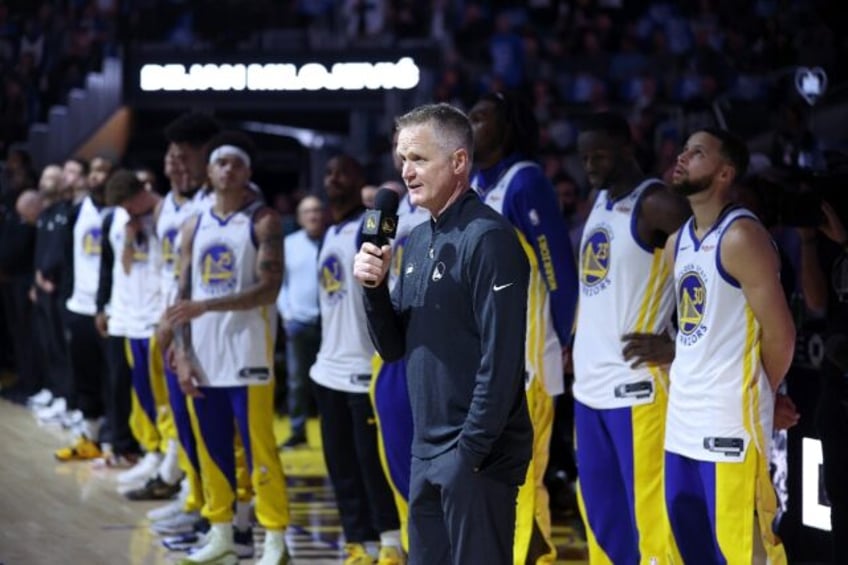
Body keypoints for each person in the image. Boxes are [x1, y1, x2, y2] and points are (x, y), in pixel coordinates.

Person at [354, 103, 532, 565]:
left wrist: (468, 452)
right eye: (402, 160)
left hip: (476, 455)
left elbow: (504, 359)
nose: (406, 172)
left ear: (458, 162)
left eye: (418, 159)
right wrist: (372, 290)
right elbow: (393, 348)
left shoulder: (488, 237)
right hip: (428, 447)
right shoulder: (416, 240)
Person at [663, 128, 795, 563]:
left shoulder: (741, 237)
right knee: (693, 552)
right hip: (681, 426)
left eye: (696, 153)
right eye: (683, 150)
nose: (682, 157)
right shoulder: (676, 241)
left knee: (743, 554)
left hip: (728, 430)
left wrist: (762, 395)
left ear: (724, 173)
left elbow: (781, 335)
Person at [571, 111, 690, 563]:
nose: (590, 165)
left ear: (626, 147)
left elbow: (710, 270)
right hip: (589, 388)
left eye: (598, 154)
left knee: (650, 521)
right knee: (602, 519)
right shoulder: (599, 201)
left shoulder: (657, 203)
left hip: (638, 389)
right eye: (584, 157)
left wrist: (678, 341)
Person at [167, 132, 291, 565]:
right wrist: (181, 352)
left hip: (249, 354)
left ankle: (274, 538)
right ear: (209, 171)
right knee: (213, 448)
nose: (228, 170)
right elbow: (182, 294)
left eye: (236, 163)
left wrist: (207, 304)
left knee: (260, 449)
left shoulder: (263, 220)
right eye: (220, 163)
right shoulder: (193, 224)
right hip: (202, 355)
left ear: (248, 173)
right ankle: (222, 533)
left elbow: (269, 289)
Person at [468, 90, 579, 564]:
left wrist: (566, 339)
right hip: (485, 358)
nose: (469, 124)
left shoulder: (525, 180)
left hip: (528, 360)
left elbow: (559, 269)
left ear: (507, 126)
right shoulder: (473, 183)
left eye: (480, 117)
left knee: (522, 475)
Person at [308, 154, 402, 565]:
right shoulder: (329, 232)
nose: (334, 179)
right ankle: (357, 543)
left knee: (373, 465)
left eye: (343, 171)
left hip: (365, 370)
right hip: (327, 368)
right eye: (328, 173)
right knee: (341, 464)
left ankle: (391, 542)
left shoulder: (371, 226)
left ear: (360, 178)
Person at [53, 157, 113, 460]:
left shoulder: (120, 213)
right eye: (95, 170)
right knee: (85, 377)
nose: (98, 176)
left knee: (114, 379)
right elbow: (67, 260)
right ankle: (89, 437)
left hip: (113, 310)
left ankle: (117, 441)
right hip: (80, 305)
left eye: (104, 171)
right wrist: (67, 302)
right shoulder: (77, 212)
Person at [276, 194, 325, 449]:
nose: (313, 216)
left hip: (330, 323)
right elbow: (280, 285)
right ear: (299, 217)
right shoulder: (289, 244)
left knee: (329, 381)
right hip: (299, 322)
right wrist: (287, 315)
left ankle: (331, 430)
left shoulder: (332, 239)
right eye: (308, 212)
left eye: (317, 210)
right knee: (297, 381)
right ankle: (298, 430)